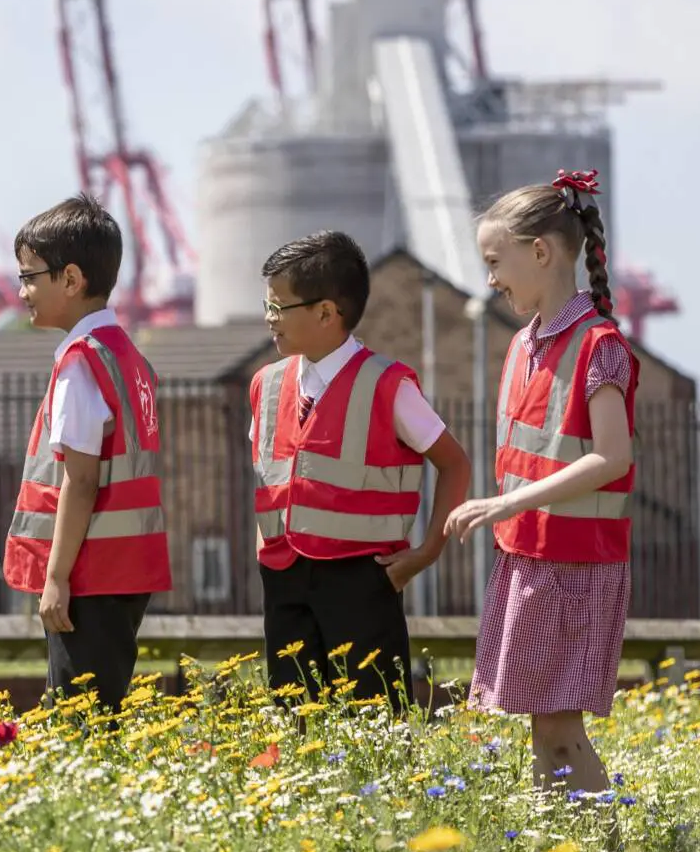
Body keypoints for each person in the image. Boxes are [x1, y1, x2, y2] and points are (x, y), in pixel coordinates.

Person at [445, 170, 635, 792]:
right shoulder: (525, 342)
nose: (491, 278)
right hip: (531, 556)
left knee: (558, 729)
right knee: (543, 728)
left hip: (576, 565)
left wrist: (506, 503)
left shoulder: (598, 344)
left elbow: (612, 457)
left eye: (495, 261)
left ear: (542, 252)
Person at [249, 230, 472, 712]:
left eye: (278, 307)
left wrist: (426, 552)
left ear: (326, 313)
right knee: (293, 720)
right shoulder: (265, 384)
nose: (269, 319)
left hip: (363, 582)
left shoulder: (388, 385)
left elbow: (454, 463)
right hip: (284, 580)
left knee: (372, 718)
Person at [2, 193, 171, 711]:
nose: (24, 291)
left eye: (30, 276)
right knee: (98, 712)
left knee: (82, 722)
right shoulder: (127, 355)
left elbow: (81, 479)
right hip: (125, 569)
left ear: (71, 279)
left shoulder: (80, 363)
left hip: (88, 577)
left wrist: (54, 578)